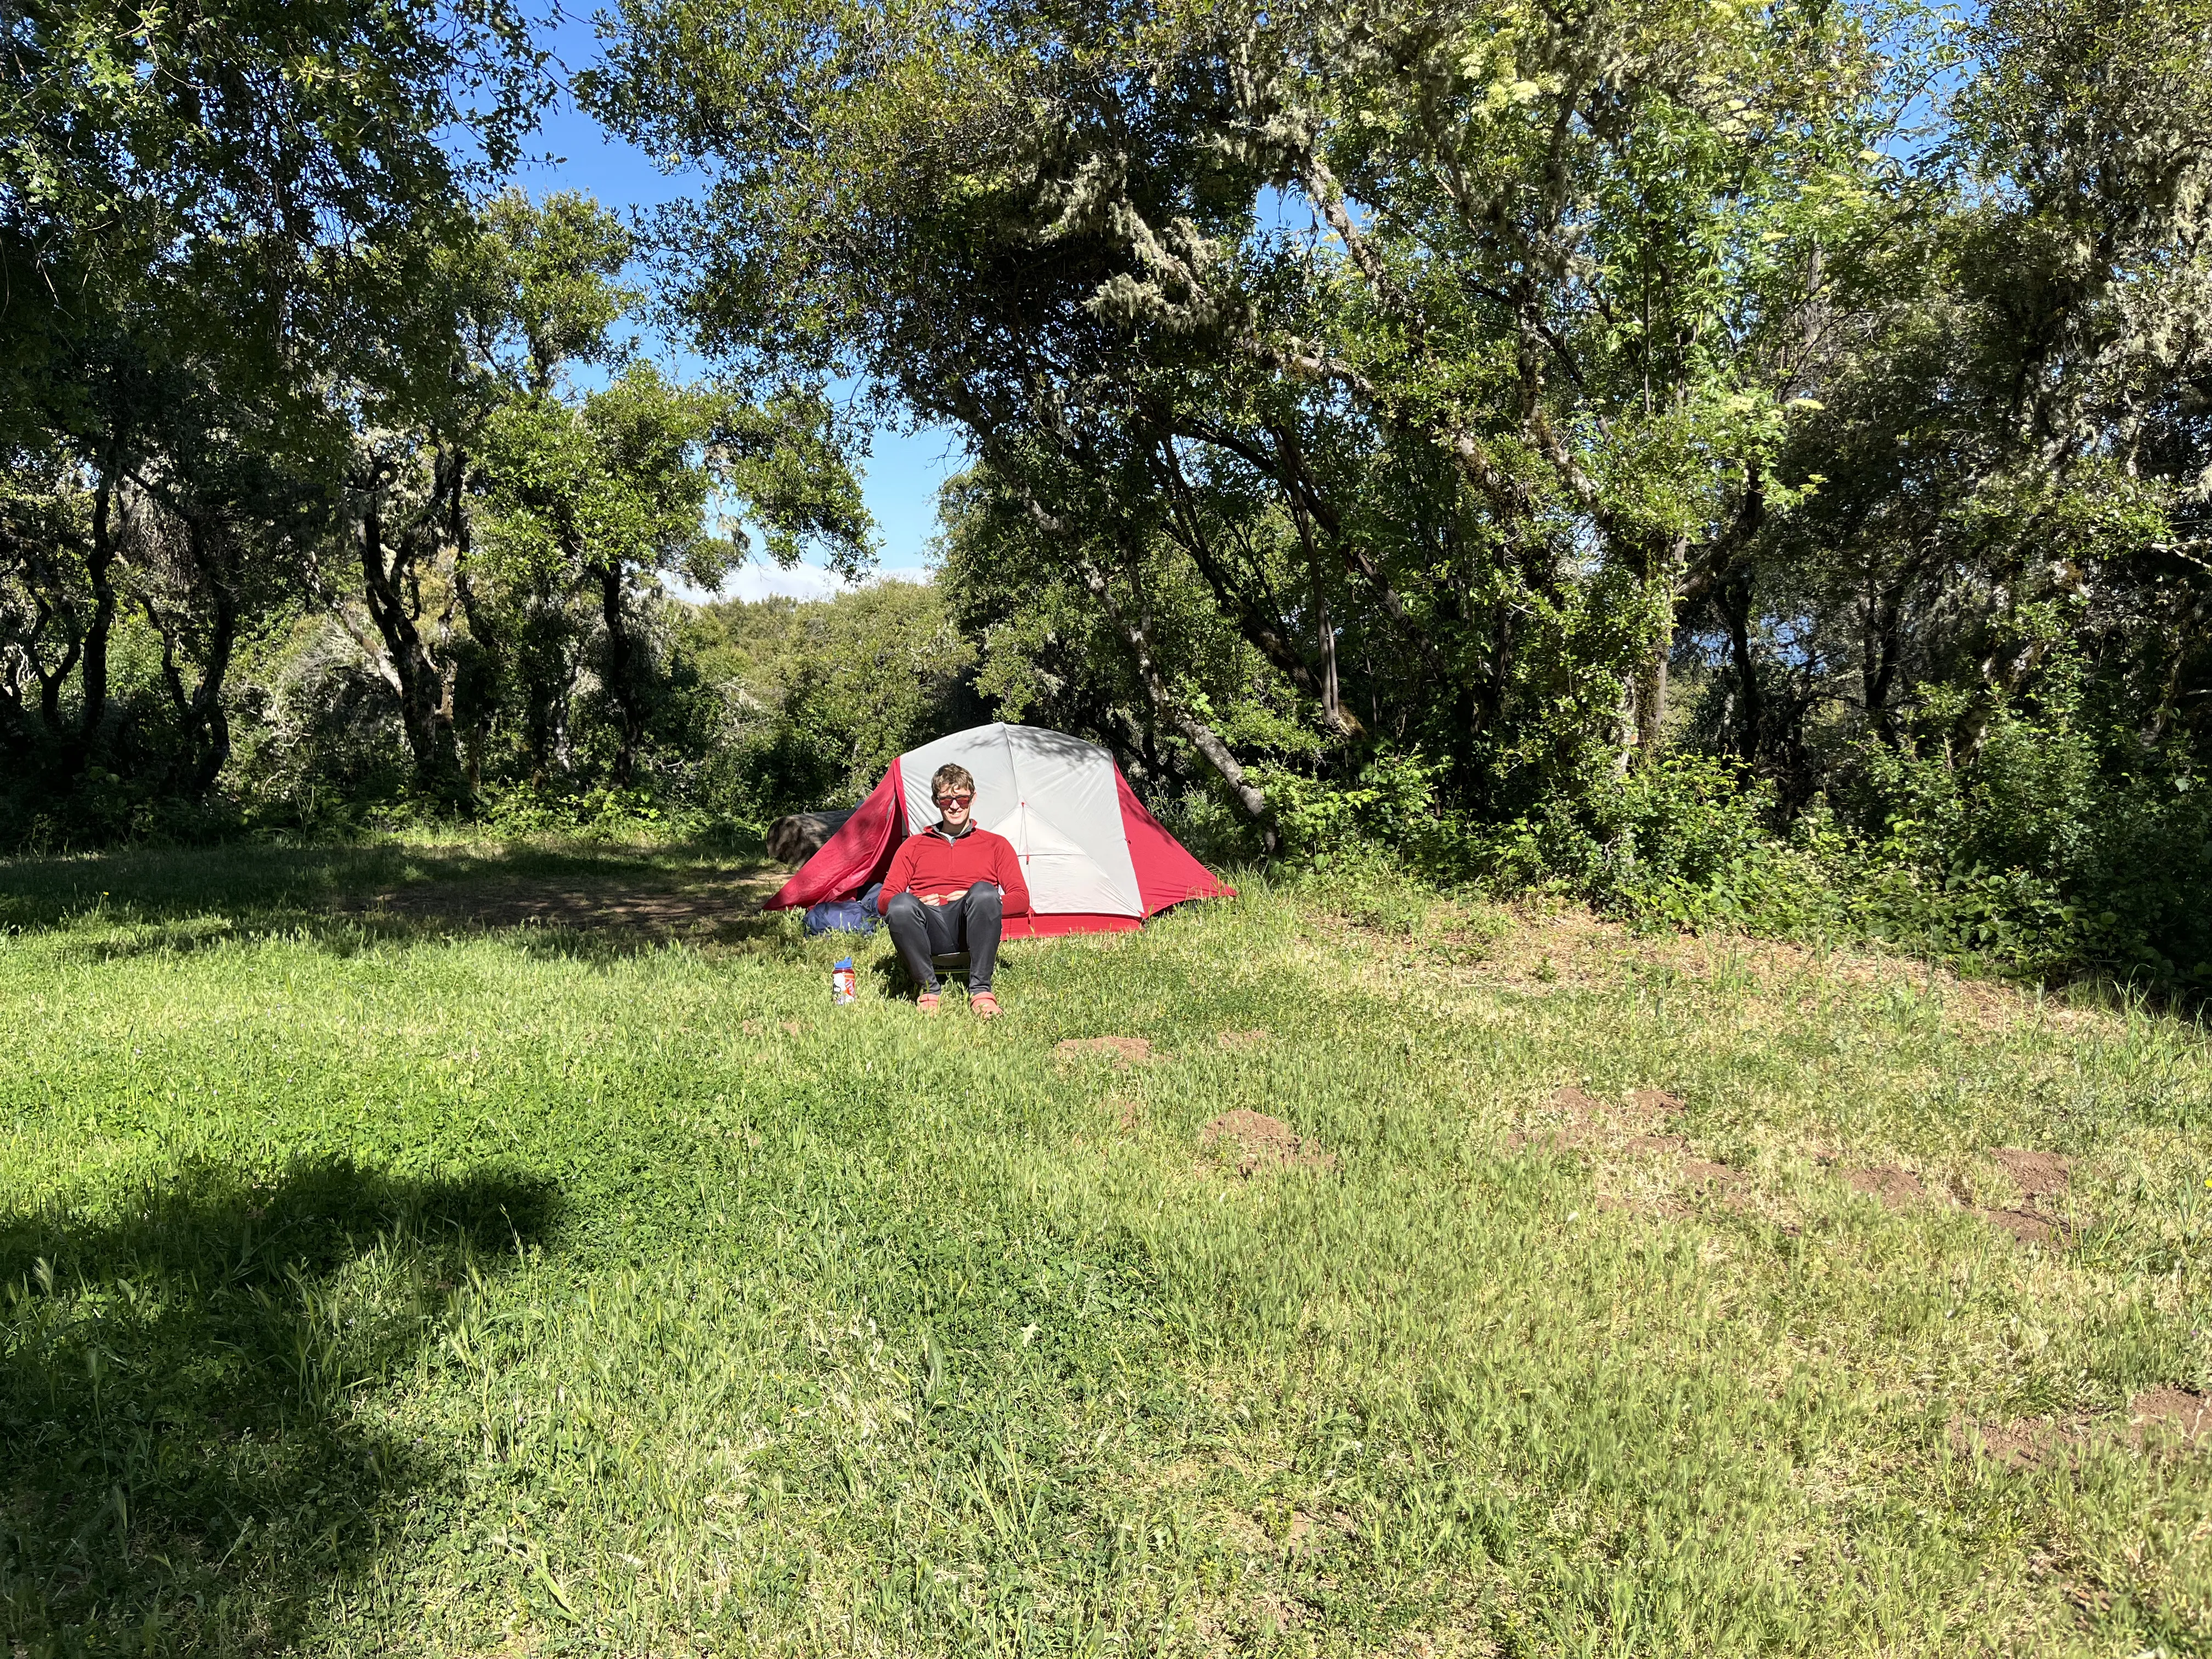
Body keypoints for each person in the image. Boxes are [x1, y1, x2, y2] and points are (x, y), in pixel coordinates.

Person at [877, 762, 1029, 1017]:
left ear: (973, 798)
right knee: (901, 904)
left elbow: (1022, 899)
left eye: (962, 798)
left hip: (971, 928)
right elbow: (884, 901)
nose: (955, 805)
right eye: (947, 800)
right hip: (929, 928)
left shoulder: (996, 845)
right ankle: (928, 989)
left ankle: (981, 990)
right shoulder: (914, 846)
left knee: (983, 892)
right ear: (936, 802)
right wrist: (917, 901)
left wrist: (973, 899)